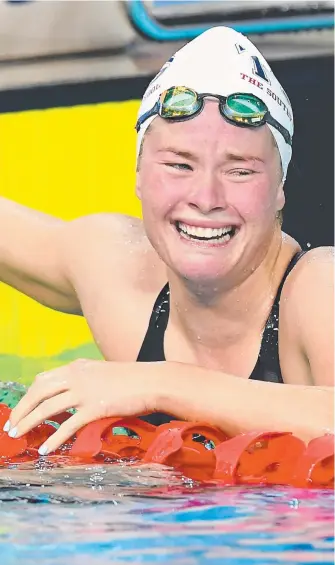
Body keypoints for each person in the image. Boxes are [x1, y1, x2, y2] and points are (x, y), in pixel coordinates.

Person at [1, 27, 333, 456]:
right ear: (138, 174)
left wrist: (158, 383)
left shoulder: (318, 291)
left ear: (280, 188)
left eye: (240, 171)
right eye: (179, 165)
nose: (206, 199)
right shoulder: (119, 274)